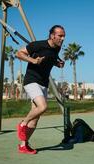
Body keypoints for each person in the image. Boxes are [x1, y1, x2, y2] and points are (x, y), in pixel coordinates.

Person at [15, 25, 66, 154]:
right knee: (43, 107)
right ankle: (22, 124)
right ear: (52, 35)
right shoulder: (37, 45)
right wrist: (32, 60)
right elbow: (19, 53)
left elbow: (50, 59)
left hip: (43, 83)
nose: (63, 38)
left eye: (63, 36)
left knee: (35, 118)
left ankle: (23, 145)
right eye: (60, 35)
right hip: (32, 81)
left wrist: (58, 63)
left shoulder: (57, 48)